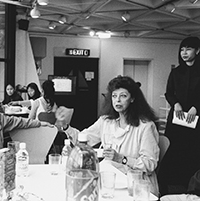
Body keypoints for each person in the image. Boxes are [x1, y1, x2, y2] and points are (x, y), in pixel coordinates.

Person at [55, 75, 160, 196]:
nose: (118, 100)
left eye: (123, 96)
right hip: (110, 178)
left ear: (132, 99)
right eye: (114, 96)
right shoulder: (106, 121)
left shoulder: (145, 126)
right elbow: (83, 138)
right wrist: (65, 126)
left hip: (137, 184)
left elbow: (150, 163)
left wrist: (122, 159)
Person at [158, 36, 200, 196]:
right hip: (177, 117)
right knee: (174, 149)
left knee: (193, 151)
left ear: (197, 50)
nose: (184, 52)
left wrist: (197, 107)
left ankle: (191, 187)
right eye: (182, 49)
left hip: (196, 120)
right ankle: (169, 187)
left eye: (188, 49)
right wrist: (175, 103)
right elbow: (169, 93)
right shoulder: (176, 72)